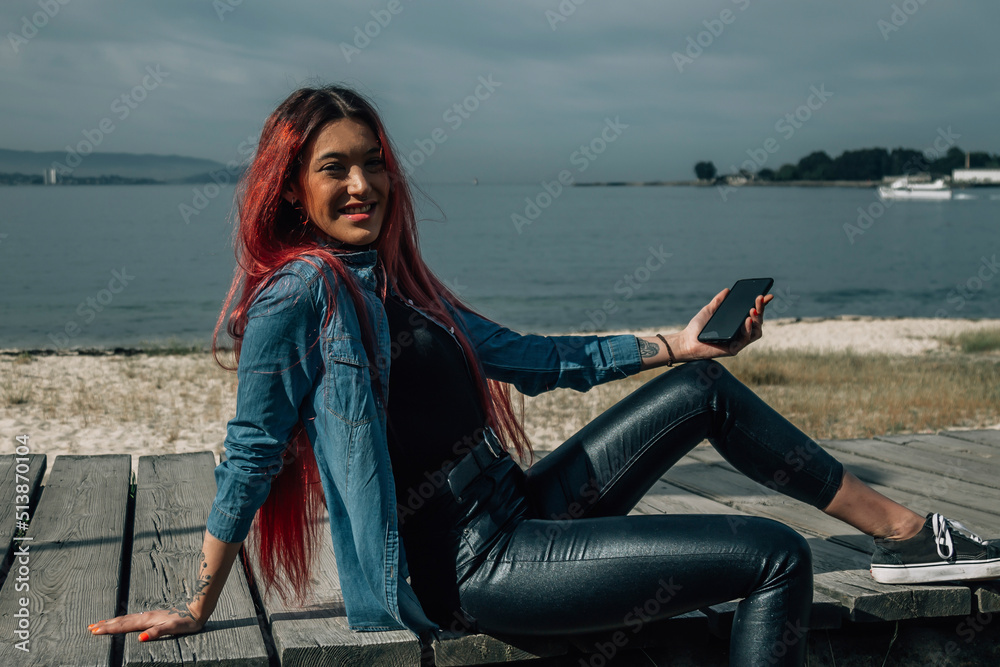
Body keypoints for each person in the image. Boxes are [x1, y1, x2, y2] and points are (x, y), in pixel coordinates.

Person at [88, 85, 1000, 666]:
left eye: (374, 164)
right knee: (775, 556)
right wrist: (198, 601)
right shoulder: (301, 294)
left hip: (521, 509)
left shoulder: (399, 283)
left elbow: (534, 356)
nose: (364, 184)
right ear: (293, 187)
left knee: (705, 393)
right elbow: (248, 451)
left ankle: (915, 535)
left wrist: (678, 344)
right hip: (478, 566)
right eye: (337, 169)